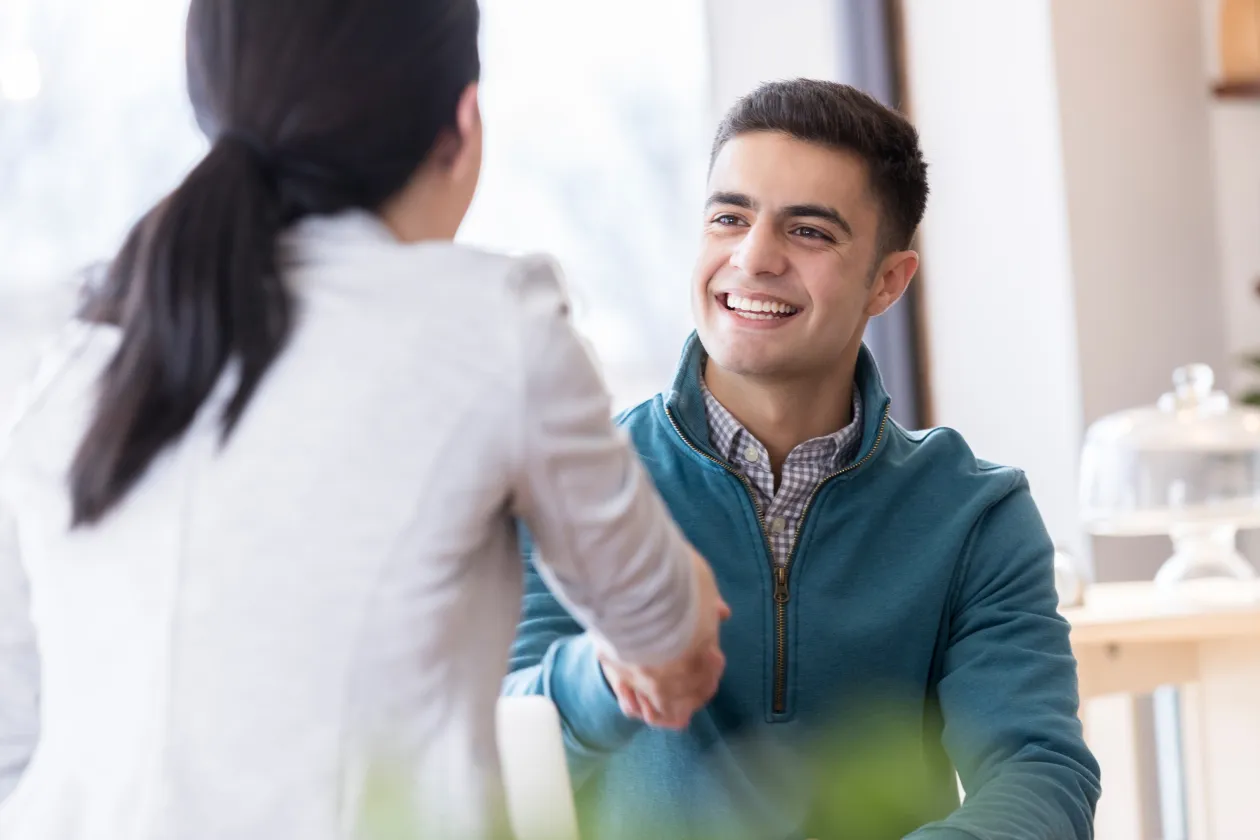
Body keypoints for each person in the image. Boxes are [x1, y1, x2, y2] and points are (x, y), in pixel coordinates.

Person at [0, 1, 731, 838]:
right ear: (462, 121)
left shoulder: (80, 357)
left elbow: (11, 737)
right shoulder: (492, 325)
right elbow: (665, 635)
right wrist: (676, 639)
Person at [504, 79, 1102, 840]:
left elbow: (1040, 772)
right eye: (729, 217)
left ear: (887, 281)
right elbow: (497, 756)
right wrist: (611, 669)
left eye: (809, 232)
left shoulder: (975, 513)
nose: (752, 259)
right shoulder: (572, 483)